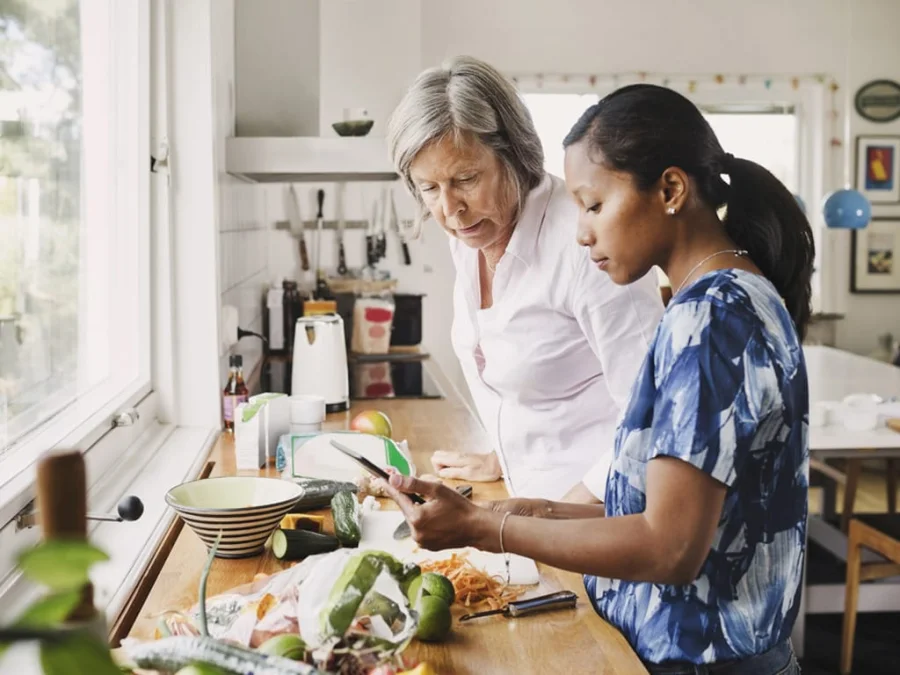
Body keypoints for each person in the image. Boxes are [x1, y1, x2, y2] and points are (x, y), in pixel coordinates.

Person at [380, 83, 812, 674]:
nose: (580, 233)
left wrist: (484, 527)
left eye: (593, 205)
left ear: (670, 190)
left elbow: (669, 547)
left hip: (701, 661)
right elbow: (647, 506)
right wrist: (522, 513)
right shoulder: (718, 301)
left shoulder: (713, 321)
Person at [387, 56, 664, 501]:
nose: (449, 208)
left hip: (600, 518)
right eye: (429, 188)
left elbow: (657, 412)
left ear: (514, 154)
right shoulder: (472, 232)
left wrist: (561, 516)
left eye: (466, 178)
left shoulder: (587, 241)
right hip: (526, 505)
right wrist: (504, 456)